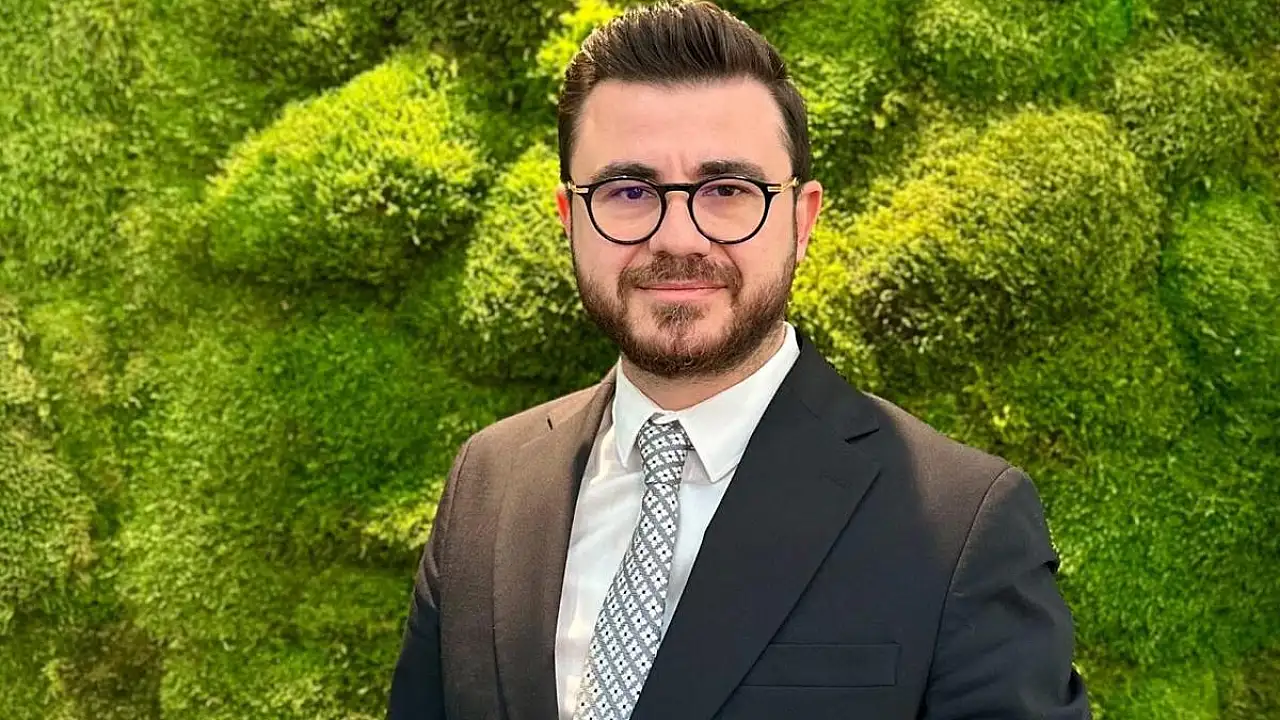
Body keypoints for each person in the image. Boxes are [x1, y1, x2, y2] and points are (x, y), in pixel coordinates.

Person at [387, 2, 1090, 719]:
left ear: (802, 220)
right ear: (570, 220)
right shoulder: (488, 484)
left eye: (728, 191)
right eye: (629, 192)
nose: (678, 238)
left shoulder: (961, 524)